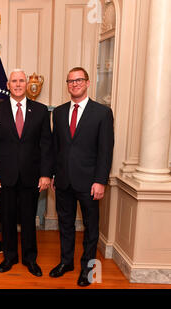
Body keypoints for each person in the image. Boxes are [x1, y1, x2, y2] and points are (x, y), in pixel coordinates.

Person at [49, 67, 114, 287]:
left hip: (90, 182)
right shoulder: (58, 112)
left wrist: (100, 180)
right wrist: (54, 175)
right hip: (64, 181)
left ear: (87, 83)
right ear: (67, 84)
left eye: (79, 80)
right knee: (65, 224)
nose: (74, 84)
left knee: (91, 228)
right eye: (70, 81)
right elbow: (55, 148)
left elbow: (106, 150)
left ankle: (88, 270)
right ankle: (66, 262)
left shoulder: (102, 113)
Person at [0, 69, 53, 277]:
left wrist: (45, 174)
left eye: (21, 81)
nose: (17, 84)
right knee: (7, 218)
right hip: (4, 176)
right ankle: (9, 257)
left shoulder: (41, 110)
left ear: (27, 84)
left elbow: (46, 145)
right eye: (14, 81)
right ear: (8, 85)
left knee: (28, 218)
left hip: (32, 176)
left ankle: (30, 258)